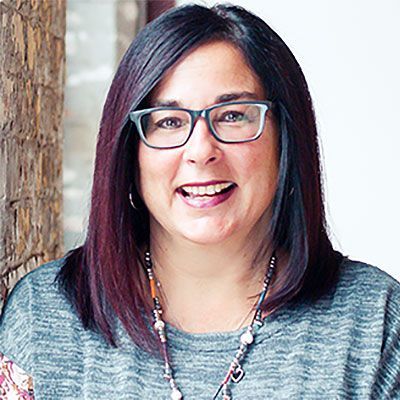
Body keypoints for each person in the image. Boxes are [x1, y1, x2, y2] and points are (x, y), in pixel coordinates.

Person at [1, 3, 399, 399]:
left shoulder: (374, 324)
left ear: (286, 137)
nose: (200, 150)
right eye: (169, 122)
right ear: (128, 151)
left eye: (232, 115)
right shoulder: (45, 317)